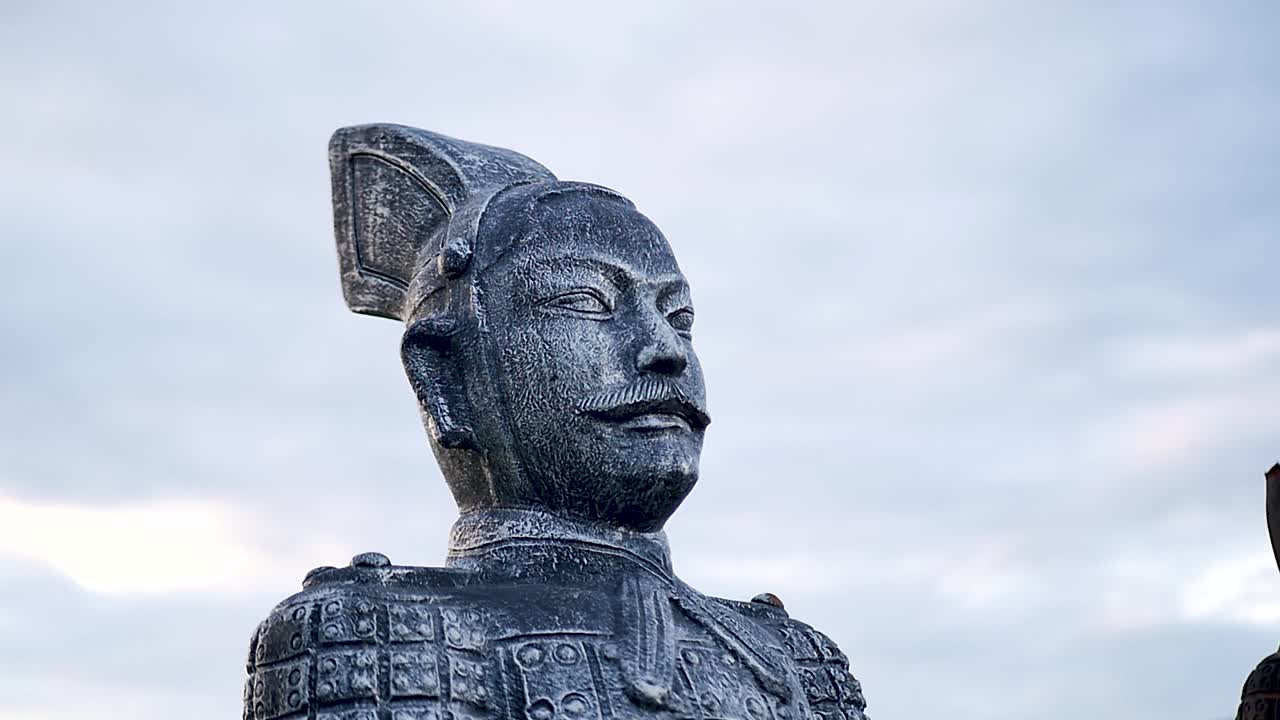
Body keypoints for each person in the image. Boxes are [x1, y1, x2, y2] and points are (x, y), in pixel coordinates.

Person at [243, 124, 869, 720]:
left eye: (677, 316)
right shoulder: (380, 628)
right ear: (445, 377)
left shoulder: (798, 658)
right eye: (586, 302)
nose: (666, 347)